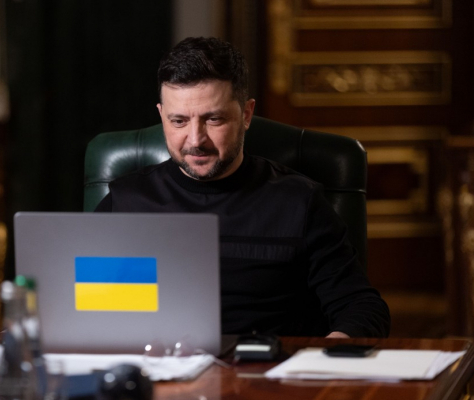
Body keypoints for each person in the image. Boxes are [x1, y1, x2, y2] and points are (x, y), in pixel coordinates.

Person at [95, 37, 390, 338]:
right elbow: (92, 311)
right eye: (179, 121)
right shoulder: (126, 202)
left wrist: (323, 355)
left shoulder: (298, 201)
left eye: (214, 119)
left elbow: (362, 308)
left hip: (267, 363)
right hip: (158, 364)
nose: (195, 140)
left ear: (246, 115)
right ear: (161, 116)